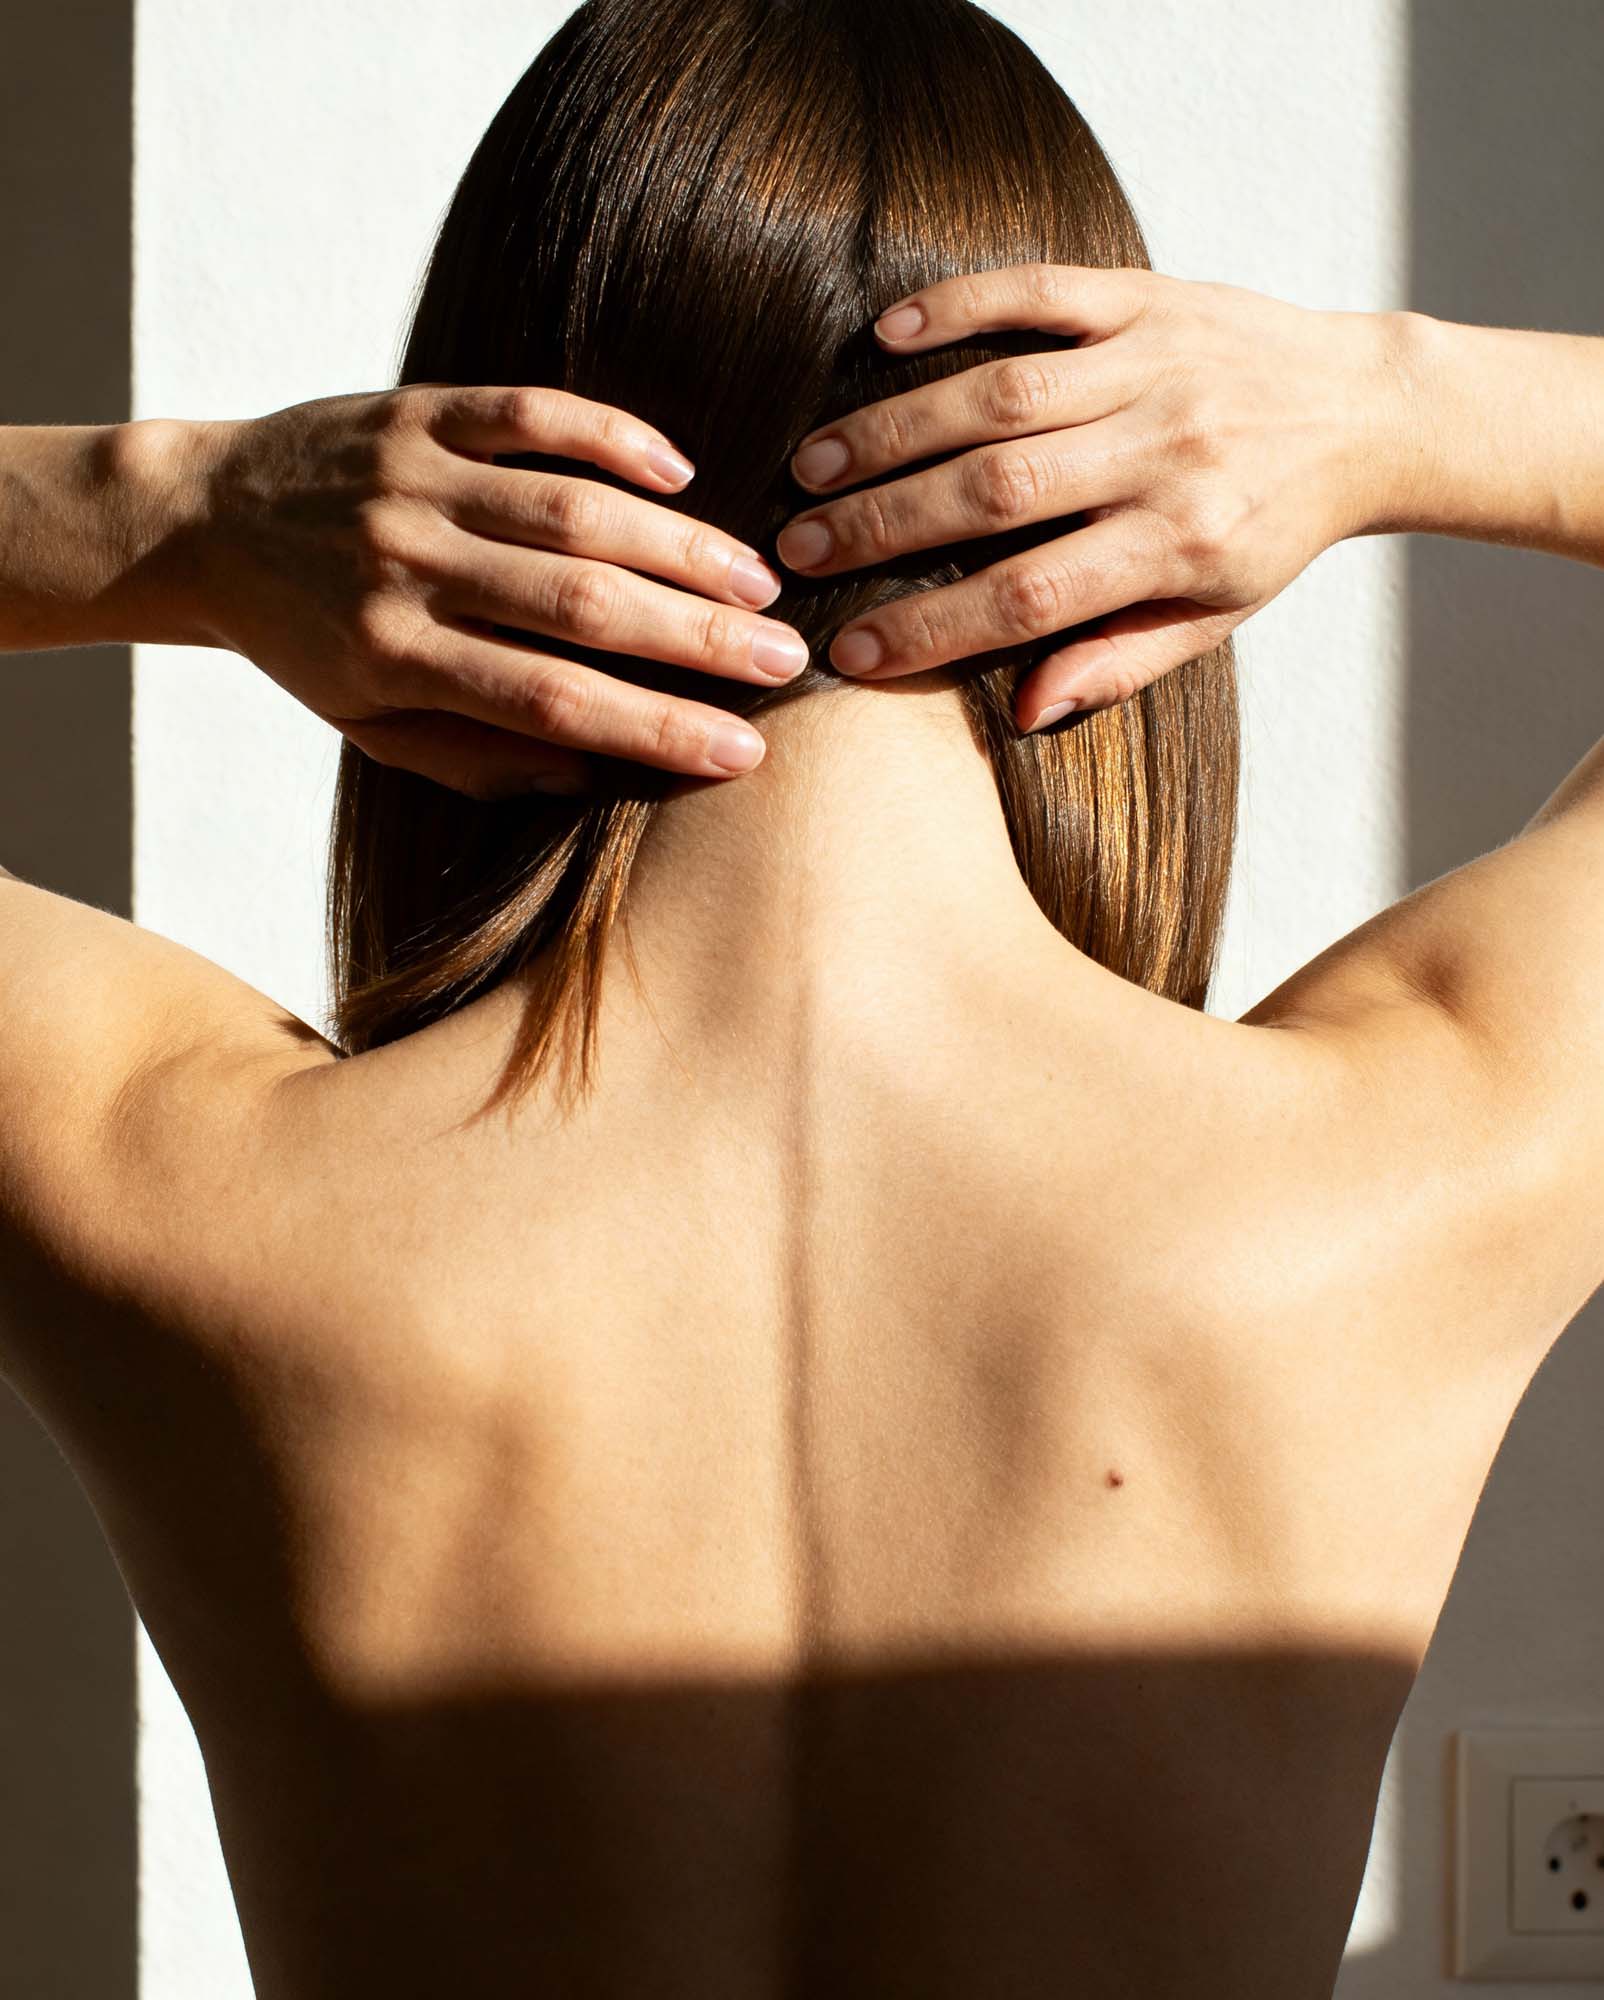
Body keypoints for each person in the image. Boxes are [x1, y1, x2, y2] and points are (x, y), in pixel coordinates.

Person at [2, 0, 1601, 1993]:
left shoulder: (173, 1186)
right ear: (1146, 482)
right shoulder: (1405, 1169)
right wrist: (1391, 404)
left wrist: (161, 512)